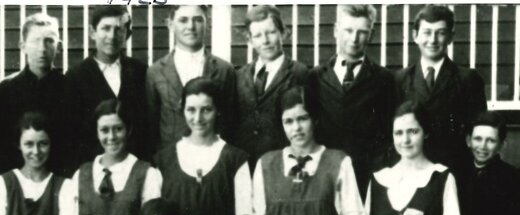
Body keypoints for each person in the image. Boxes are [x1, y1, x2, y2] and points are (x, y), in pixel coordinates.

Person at [252, 90, 367, 215]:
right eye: (288, 121)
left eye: (302, 119)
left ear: (315, 119)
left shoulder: (338, 162)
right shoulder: (266, 164)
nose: (296, 128)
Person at [155, 78, 253, 215]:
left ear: (217, 110)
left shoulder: (235, 159)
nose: (198, 118)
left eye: (206, 109)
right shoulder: (164, 160)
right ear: (182, 110)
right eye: (191, 110)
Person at [56, 99, 162, 215]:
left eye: (118, 129)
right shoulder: (81, 176)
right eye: (104, 130)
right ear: (97, 132)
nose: (111, 137)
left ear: (129, 129)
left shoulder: (147, 175)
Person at [366, 101, 465, 215]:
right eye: (399, 133)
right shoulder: (379, 179)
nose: (405, 140)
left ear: (425, 132)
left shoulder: (441, 178)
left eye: (413, 132)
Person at [306, 4, 395, 181]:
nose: (354, 38)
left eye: (362, 32)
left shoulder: (384, 79)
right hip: (325, 173)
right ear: (335, 30)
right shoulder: (315, 77)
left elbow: (388, 133)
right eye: (348, 30)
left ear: (372, 34)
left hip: (367, 174)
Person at [394, 4, 487, 171]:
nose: (433, 40)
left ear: (451, 37)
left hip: (455, 170)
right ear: (415, 36)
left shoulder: (467, 79)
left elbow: (478, 131)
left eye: (441, 33)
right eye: (427, 32)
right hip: (412, 170)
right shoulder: (401, 79)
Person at [146, 4, 238, 152]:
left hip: (214, 158)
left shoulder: (224, 70)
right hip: (171, 161)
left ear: (207, 24)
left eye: (198, 20)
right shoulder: (155, 72)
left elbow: (231, 123)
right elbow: (151, 126)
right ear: (171, 25)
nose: (191, 26)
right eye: (183, 20)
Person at [65, 6, 150, 166]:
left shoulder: (140, 72)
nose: (112, 36)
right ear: (92, 32)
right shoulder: (76, 76)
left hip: (135, 169)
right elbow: (72, 135)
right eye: (105, 28)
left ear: (127, 35)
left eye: (118, 29)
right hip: (93, 169)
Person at [234, 5, 309, 166]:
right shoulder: (240, 76)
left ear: (283, 33)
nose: (265, 41)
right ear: (250, 40)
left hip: (283, 164)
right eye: (258, 35)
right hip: (246, 164)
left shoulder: (298, 73)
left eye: (271, 32)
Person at [0, 13, 72, 174]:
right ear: (23, 46)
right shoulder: (5, 89)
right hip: (17, 177)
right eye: (35, 41)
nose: (42, 49)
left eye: (49, 41)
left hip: (59, 177)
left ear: (59, 46)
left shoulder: (70, 88)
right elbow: (0, 144)